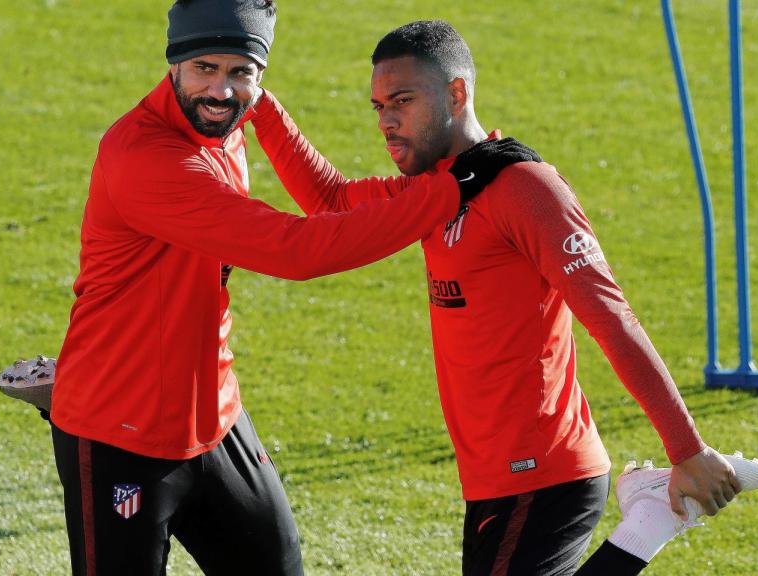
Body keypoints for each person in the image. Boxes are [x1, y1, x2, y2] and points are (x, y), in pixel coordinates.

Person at [246, 19, 758, 575]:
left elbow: (611, 318)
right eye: (378, 106)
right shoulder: (437, 189)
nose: (387, 121)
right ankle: (645, 522)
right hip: (493, 477)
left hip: (544, 473)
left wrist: (686, 449)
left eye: (402, 100)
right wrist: (255, 100)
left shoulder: (527, 190)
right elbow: (330, 201)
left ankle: (650, 522)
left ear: (457, 92)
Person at [41, 3, 490, 575]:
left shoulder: (224, 121)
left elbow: (328, 199)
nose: (221, 90)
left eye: (240, 72)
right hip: (118, 434)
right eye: (204, 68)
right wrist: (452, 191)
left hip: (215, 421)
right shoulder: (146, 157)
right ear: (173, 64)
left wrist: (263, 106)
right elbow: (295, 249)